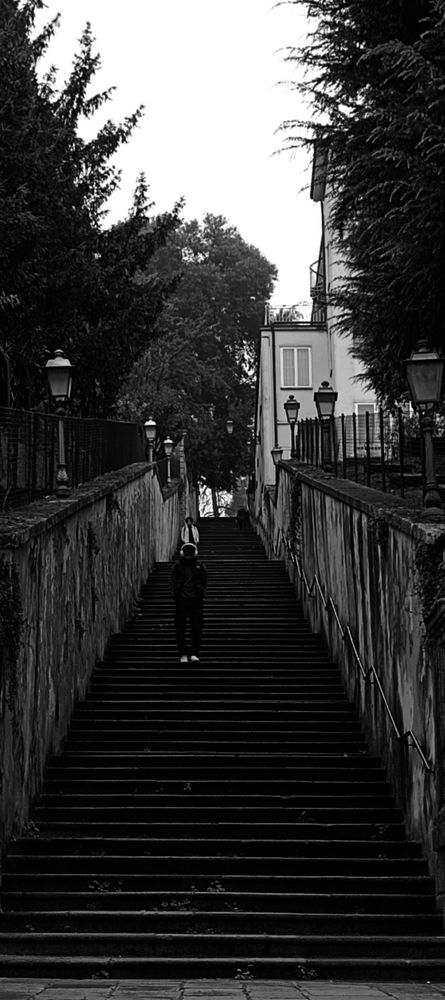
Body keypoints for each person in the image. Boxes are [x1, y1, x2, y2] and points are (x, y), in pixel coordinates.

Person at [171, 542, 207, 663]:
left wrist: (200, 592)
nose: (188, 557)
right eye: (186, 554)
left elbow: (204, 581)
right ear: (183, 554)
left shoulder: (199, 566)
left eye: (190, 554)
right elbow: (172, 582)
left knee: (196, 627)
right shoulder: (177, 567)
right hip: (182, 600)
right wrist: (176, 594)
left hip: (195, 601)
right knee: (180, 628)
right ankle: (183, 653)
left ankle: (193, 653)